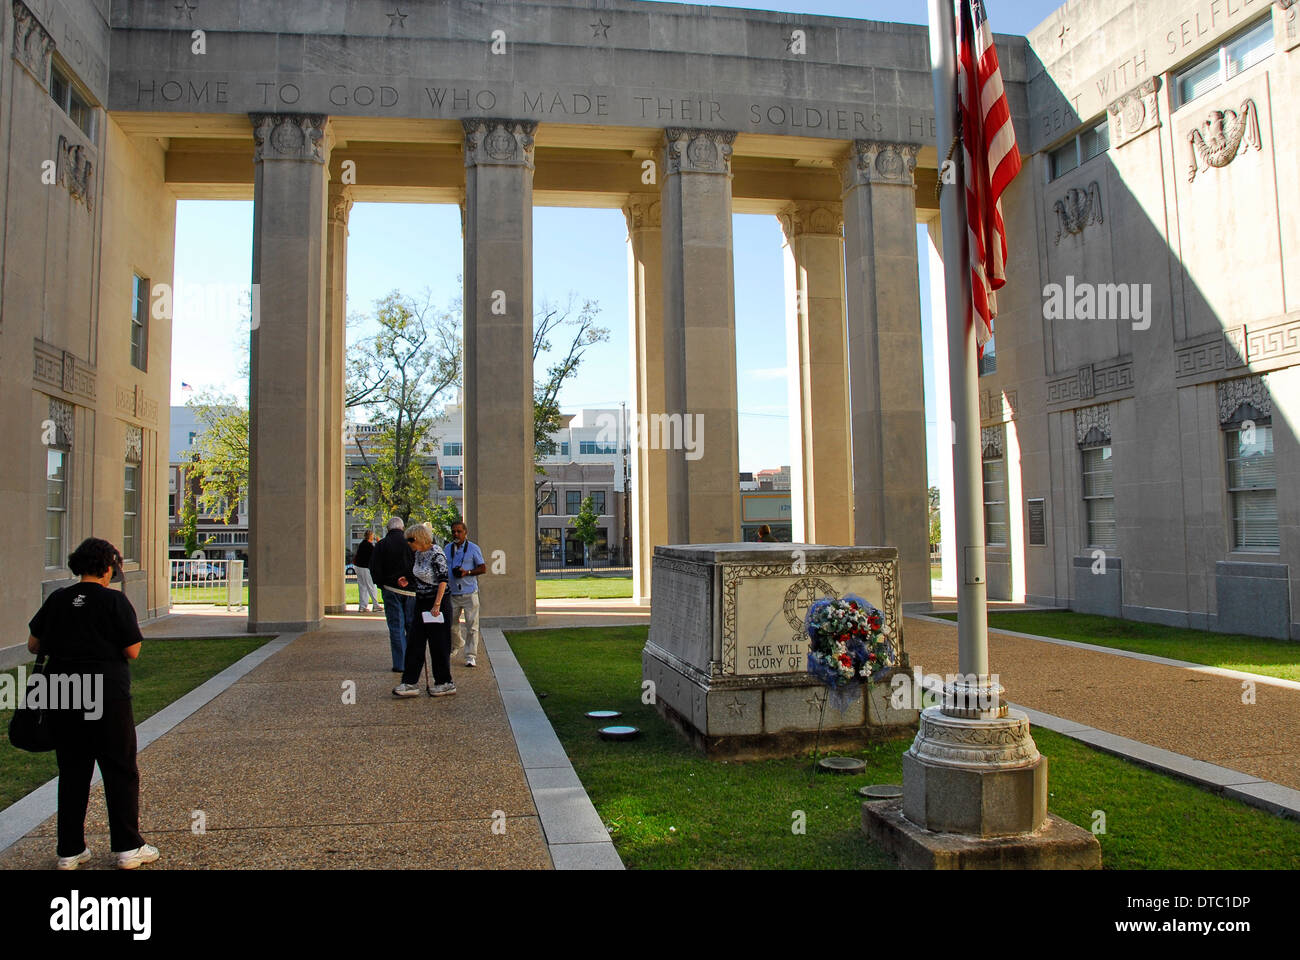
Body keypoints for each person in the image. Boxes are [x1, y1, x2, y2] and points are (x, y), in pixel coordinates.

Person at [26, 537, 159, 870]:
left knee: (72, 771)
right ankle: (128, 848)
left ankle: (69, 851)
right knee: (120, 769)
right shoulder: (113, 601)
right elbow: (133, 650)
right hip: (107, 694)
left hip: (63, 692)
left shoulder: (57, 599)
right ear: (108, 567)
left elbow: (33, 644)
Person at [393, 523, 456, 698]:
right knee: (415, 642)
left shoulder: (437, 554)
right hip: (421, 602)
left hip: (437, 603)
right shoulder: (419, 554)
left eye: (411, 539)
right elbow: (420, 574)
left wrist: (437, 604)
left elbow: (443, 580)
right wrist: (408, 579)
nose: (409, 543)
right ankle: (410, 682)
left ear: (420, 538)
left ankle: (445, 682)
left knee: (439, 643)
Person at [369, 517, 415, 672]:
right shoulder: (410, 543)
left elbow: (374, 567)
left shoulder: (381, 545)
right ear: (402, 528)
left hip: (390, 589)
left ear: (388, 529)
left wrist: (382, 584)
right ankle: (412, 661)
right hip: (411, 591)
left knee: (396, 627)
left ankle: (400, 663)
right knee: (411, 626)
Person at [444, 520, 486, 668]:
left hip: (469, 592)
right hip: (452, 593)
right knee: (450, 625)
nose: (456, 534)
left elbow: (482, 568)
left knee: (472, 626)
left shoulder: (473, 548)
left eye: (459, 531)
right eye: (453, 531)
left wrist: (467, 572)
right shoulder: (447, 548)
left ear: (465, 533)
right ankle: (457, 644)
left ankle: (470, 655)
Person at [352, 530, 377, 613]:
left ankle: (362, 606)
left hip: (358, 567)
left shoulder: (362, 544)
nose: (373, 537)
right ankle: (376, 605)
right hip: (365, 568)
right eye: (373, 535)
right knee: (371, 586)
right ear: (370, 536)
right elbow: (375, 554)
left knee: (362, 587)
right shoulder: (369, 545)